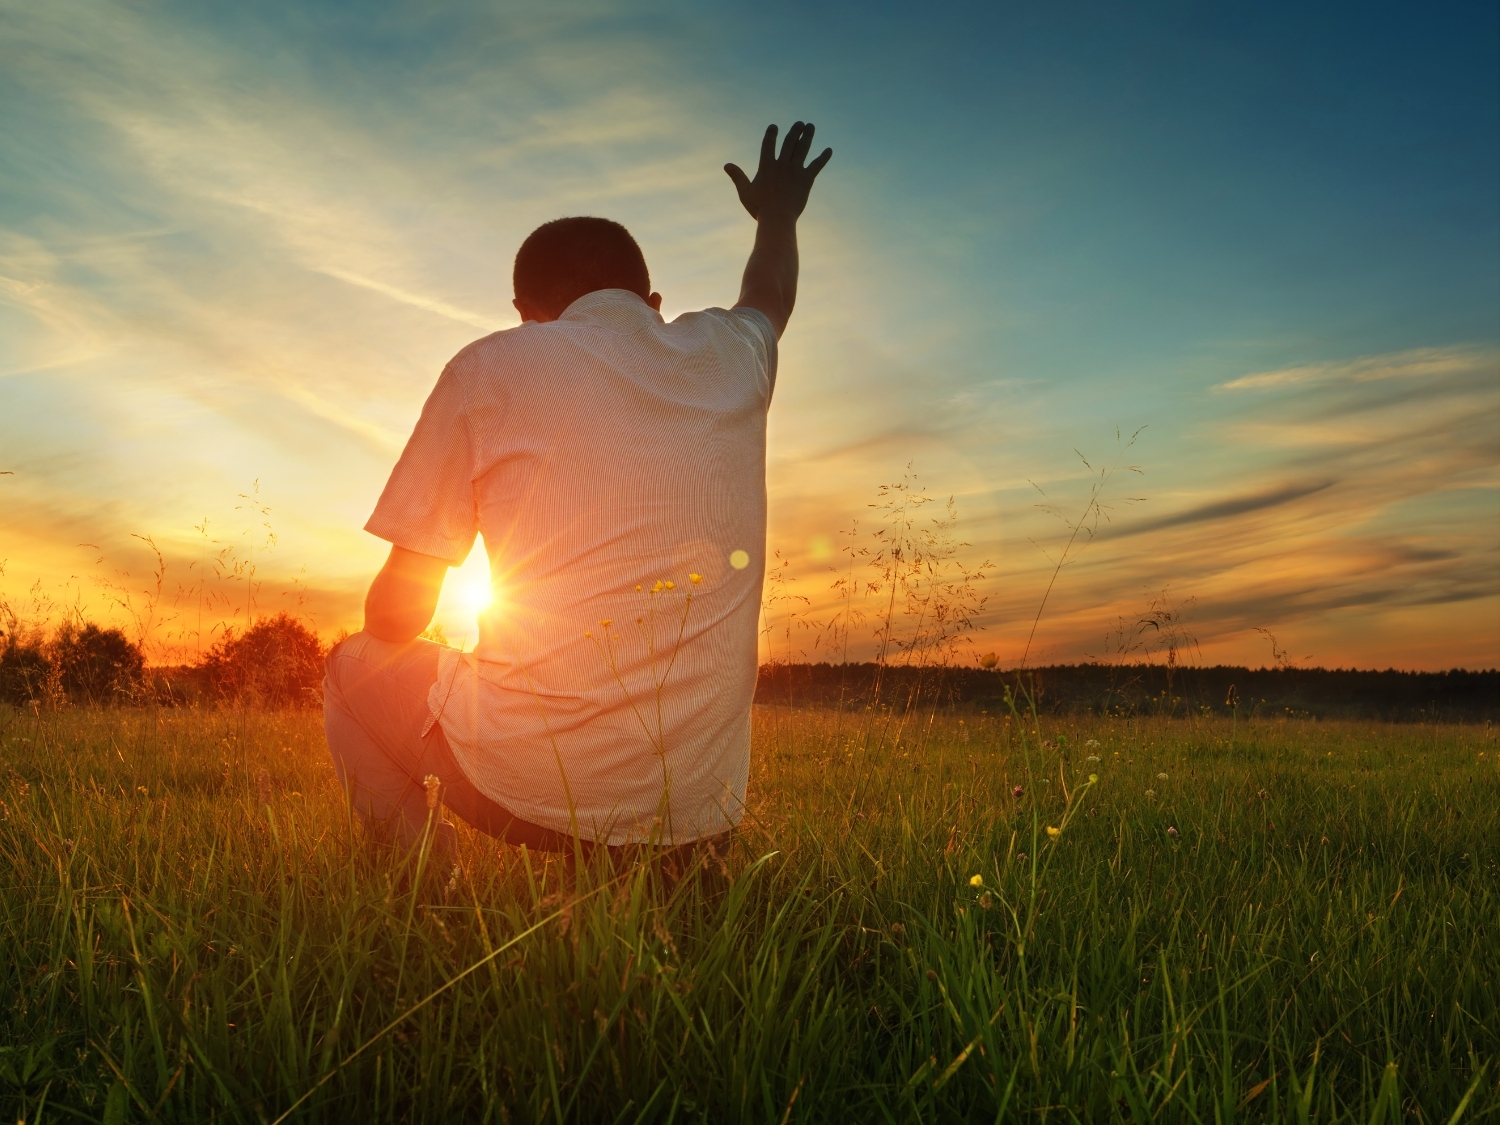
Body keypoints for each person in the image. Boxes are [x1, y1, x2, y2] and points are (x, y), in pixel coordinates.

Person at [322, 122, 832, 863]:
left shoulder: (489, 366)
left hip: (526, 796)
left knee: (352, 663)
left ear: (526, 314)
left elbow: (396, 616)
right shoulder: (730, 352)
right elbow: (770, 296)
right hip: (701, 808)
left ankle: (426, 897)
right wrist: (779, 216)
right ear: (653, 301)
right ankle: (662, 871)